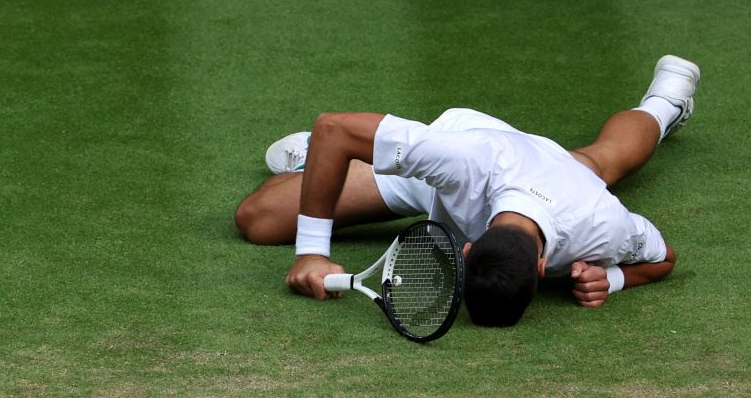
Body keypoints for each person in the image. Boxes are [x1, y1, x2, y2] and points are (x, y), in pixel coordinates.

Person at [234, 55, 699, 326]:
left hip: (558, 178)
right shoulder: (465, 163)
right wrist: (311, 252)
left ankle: (664, 104)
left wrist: (612, 279)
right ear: (542, 267)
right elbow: (333, 124)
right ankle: (324, 157)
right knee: (258, 218)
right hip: (458, 169)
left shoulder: (600, 225)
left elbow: (665, 258)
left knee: (602, 161)